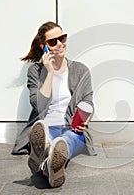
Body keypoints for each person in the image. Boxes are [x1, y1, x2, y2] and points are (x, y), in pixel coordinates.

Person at [11, 21, 96, 188]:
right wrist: (49, 72)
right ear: (44, 47)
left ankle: (45, 161)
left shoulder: (81, 70)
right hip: (44, 128)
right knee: (46, 136)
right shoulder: (35, 71)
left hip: (70, 128)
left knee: (68, 139)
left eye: (62, 38)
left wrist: (85, 120)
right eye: (53, 41)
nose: (59, 44)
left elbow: (88, 101)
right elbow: (39, 106)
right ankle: (50, 161)